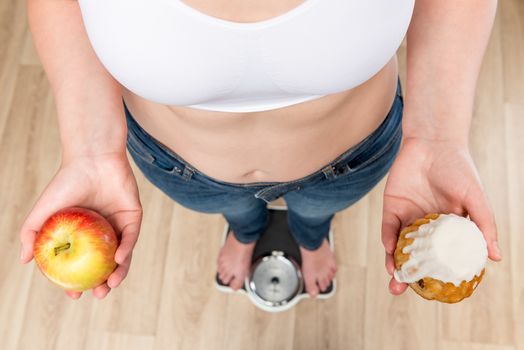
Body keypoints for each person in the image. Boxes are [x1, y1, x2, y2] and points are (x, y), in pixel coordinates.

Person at [20, 0, 502, 300]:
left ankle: (312, 239)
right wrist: (89, 148)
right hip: (184, 165)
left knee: (316, 215)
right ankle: (245, 231)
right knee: (233, 211)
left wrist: (439, 137)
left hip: (350, 156)